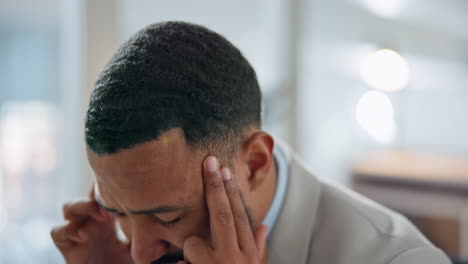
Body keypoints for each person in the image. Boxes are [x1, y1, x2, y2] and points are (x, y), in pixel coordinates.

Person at [51, 21, 450, 264]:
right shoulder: (131, 252)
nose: (138, 253)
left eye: (168, 218)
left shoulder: (397, 260)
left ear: (255, 163)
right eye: (119, 213)